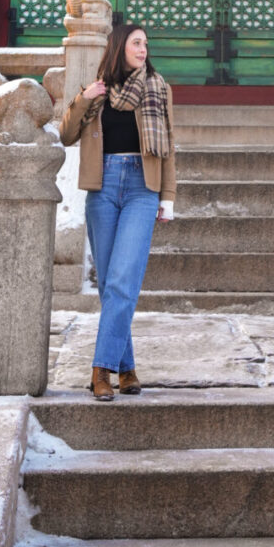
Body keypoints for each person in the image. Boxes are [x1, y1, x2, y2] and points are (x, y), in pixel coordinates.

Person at [60, 22, 176, 401]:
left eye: (146, 43)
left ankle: (100, 369)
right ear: (119, 48)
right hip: (104, 187)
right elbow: (66, 134)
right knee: (112, 284)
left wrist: (167, 197)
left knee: (124, 280)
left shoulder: (158, 88)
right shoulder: (99, 91)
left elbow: (170, 146)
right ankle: (126, 368)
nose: (144, 49)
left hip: (143, 187)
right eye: (137, 43)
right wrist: (84, 97)